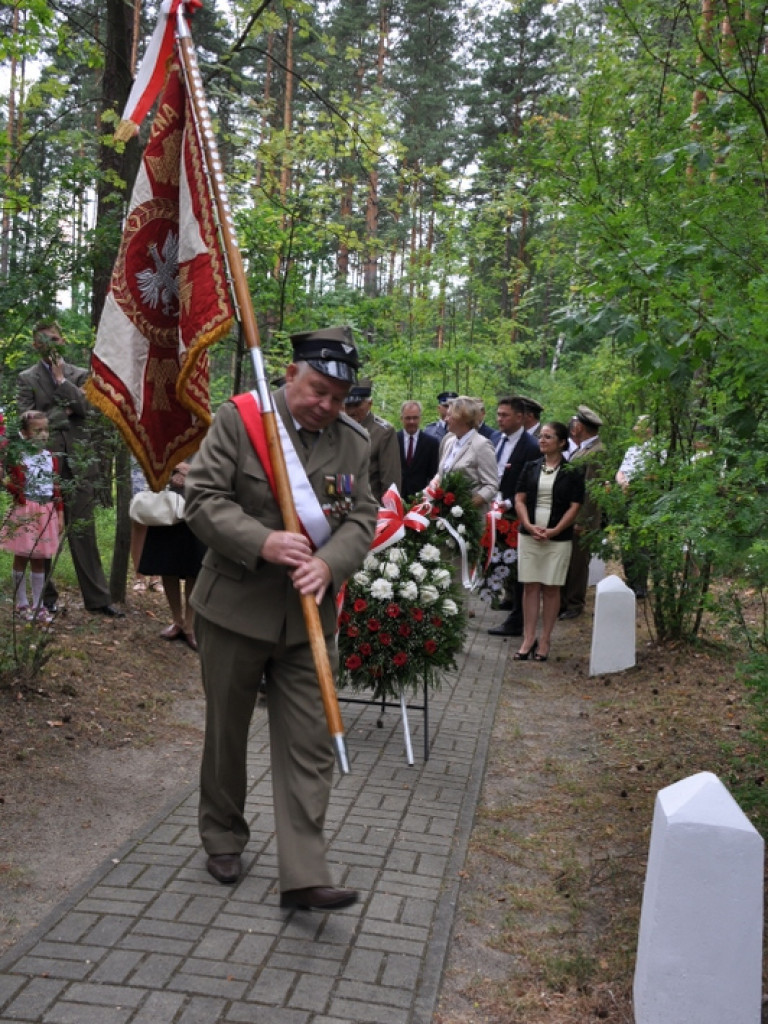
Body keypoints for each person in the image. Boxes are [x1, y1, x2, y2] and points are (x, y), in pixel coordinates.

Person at [184, 326, 378, 909]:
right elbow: (202, 500)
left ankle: (303, 874)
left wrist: (331, 564)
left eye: (338, 399)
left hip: (308, 620)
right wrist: (263, 542)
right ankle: (222, 834)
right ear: (290, 375)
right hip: (234, 609)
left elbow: (360, 519)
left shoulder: (354, 442)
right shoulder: (240, 421)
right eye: (317, 390)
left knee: (311, 741)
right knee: (227, 733)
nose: (326, 406)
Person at [17, 322, 123, 617]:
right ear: (36, 345)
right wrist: (62, 414)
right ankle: (46, 596)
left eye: (56, 338)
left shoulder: (79, 375)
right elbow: (24, 424)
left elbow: (89, 410)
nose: (53, 344)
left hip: (80, 464)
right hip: (44, 468)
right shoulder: (27, 378)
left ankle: (98, 599)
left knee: (83, 531)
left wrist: (63, 383)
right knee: (44, 530)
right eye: (46, 340)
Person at [514, 422, 585, 660]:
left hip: (558, 537)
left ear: (562, 442)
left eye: (548, 437)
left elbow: (575, 506)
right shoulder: (531, 467)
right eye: (541, 437)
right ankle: (528, 638)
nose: (542, 440)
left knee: (552, 587)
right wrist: (528, 524)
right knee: (530, 585)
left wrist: (555, 530)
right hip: (530, 534)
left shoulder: (572, 471)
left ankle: (545, 640)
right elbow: (520, 499)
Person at [0, 410, 64, 624]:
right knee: (22, 557)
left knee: (40, 560)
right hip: (25, 509)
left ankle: (38, 605)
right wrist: (7, 484)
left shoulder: (50, 457)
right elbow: (14, 483)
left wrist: (60, 513)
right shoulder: (18, 456)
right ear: (25, 433)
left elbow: (56, 488)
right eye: (37, 430)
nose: (43, 434)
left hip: (46, 511)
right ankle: (21, 603)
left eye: (46, 430)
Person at [487, 396, 541, 638]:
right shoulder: (495, 439)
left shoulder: (531, 446)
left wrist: (507, 502)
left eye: (505, 415)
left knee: (519, 569)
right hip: (493, 511)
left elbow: (532, 484)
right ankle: (505, 600)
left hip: (515, 514)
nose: (500, 420)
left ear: (520, 417)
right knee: (501, 562)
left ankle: (518, 619)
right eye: (498, 414)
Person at [137, 460, 204, 651]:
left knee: (195, 561)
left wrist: (193, 471)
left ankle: (190, 625)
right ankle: (178, 620)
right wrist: (175, 466)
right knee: (167, 560)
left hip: (199, 495)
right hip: (168, 497)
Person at [560, 405, 607, 620]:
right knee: (569, 561)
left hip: (581, 520)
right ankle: (565, 601)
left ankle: (574, 603)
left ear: (580, 426)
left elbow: (591, 491)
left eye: (575, 424)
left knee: (578, 563)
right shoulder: (582, 449)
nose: (573, 427)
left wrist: (583, 521)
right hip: (571, 516)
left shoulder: (596, 452)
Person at [432, 395, 498, 512]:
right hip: (444, 515)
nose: (446, 419)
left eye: (449, 416)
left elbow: (491, 486)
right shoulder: (449, 441)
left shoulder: (482, 445)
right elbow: (442, 473)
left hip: (470, 519)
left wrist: (465, 507)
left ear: (462, 418)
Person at [343, 378, 401, 502]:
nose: (351, 411)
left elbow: (390, 480)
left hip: (371, 508)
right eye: (348, 405)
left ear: (369, 403)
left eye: (357, 405)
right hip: (342, 507)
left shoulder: (383, 432)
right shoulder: (338, 428)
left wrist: (387, 514)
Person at [397, 399, 439, 498]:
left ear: (420, 418)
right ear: (401, 419)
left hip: (421, 499)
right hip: (397, 497)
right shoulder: (393, 441)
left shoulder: (431, 443)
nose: (412, 422)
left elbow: (434, 474)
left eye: (415, 418)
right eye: (408, 418)